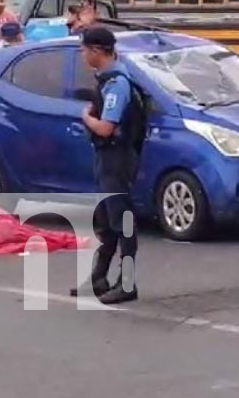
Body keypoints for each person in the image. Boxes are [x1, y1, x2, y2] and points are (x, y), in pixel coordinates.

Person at [70, 26, 142, 305]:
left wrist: (86, 117)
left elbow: (106, 128)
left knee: (122, 220)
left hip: (117, 158)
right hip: (108, 158)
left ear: (98, 51)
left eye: (85, 49)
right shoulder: (109, 79)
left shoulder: (117, 84)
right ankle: (99, 277)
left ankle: (128, 283)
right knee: (106, 220)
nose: (83, 54)